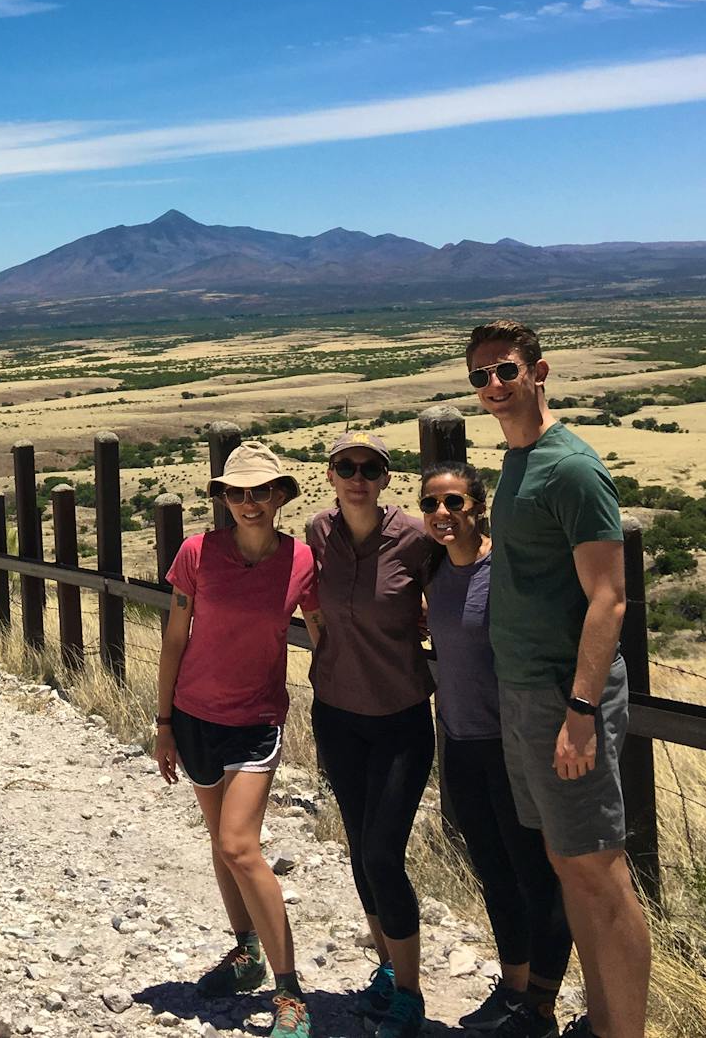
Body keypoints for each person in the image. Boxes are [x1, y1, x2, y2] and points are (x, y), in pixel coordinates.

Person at [465, 320, 650, 1038]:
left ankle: (622, 1031)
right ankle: (601, 1021)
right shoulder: (519, 461)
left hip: (562, 697)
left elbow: (609, 597)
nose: (493, 386)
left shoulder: (570, 466)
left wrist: (580, 709)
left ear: (540, 372)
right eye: (480, 376)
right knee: (568, 862)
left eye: (505, 370)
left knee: (600, 872)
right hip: (525, 695)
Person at [156, 440, 321, 1038]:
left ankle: (289, 992)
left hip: (256, 720)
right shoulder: (196, 554)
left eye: (260, 491)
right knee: (220, 843)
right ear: (224, 498)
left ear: (280, 495)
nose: (249, 502)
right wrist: (163, 724)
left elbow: (327, 633)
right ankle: (246, 953)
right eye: (237, 492)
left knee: (239, 844)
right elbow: (175, 638)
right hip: (195, 715)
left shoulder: (302, 561)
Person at [420, 461, 573, 1038]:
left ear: (478, 506)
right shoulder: (433, 570)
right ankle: (514, 990)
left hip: (511, 744)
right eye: (432, 503)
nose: (442, 514)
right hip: (458, 740)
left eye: (454, 503)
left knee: (535, 876)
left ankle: (540, 1004)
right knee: (493, 872)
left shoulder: (503, 570)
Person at [304, 432, 436, 1038]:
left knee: (384, 852)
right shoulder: (316, 533)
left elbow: (457, 592)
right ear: (330, 475)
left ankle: (410, 994)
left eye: (370, 468)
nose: (358, 476)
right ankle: (386, 969)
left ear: (386, 478)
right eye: (346, 467)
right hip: (335, 711)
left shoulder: (416, 539)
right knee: (360, 847)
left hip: (401, 716)